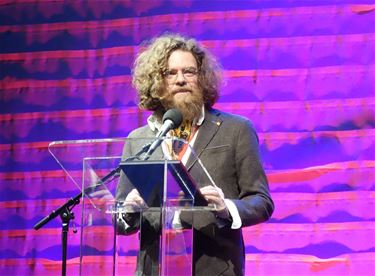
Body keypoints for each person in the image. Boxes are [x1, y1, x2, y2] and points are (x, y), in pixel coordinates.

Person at [115, 34, 274, 276]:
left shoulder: (236, 130)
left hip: (214, 268)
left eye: (189, 71)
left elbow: (261, 202)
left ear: (201, 78)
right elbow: (120, 220)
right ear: (156, 81)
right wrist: (127, 212)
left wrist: (225, 208)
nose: (180, 80)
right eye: (171, 73)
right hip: (153, 269)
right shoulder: (138, 140)